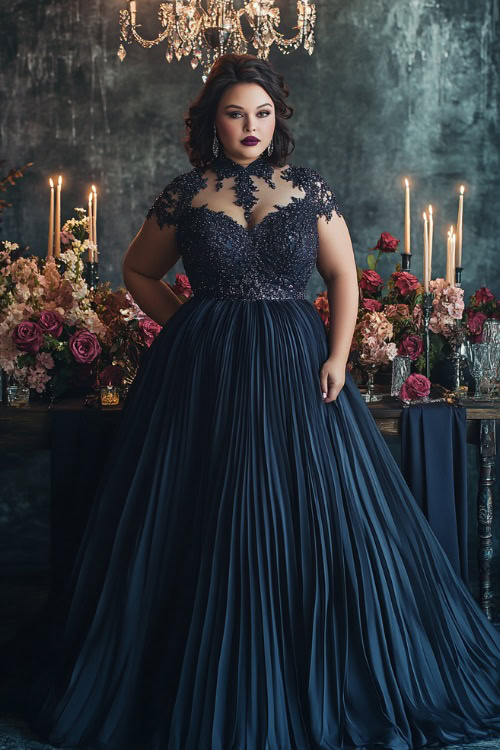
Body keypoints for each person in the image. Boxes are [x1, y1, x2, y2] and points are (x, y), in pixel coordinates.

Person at [29, 53, 500, 750]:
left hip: (293, 361)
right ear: (211, 122)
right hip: (205, 366)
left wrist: (338, 356)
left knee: (308, 508)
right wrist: (183, 320)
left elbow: (342, 275)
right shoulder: (186, 193)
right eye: (234, 113)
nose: (249, 126)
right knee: (204, 506)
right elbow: (137, 269)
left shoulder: (307, 189)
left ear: (276, 121)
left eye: (262, 113)